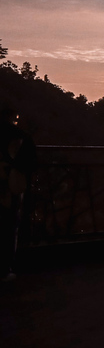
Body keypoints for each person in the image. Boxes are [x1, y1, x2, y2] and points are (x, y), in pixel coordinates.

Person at [0, 108, 36, 282]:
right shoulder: (21, 137)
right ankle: (5, 268)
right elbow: (30, 163)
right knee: (9, 227)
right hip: (11, 187)